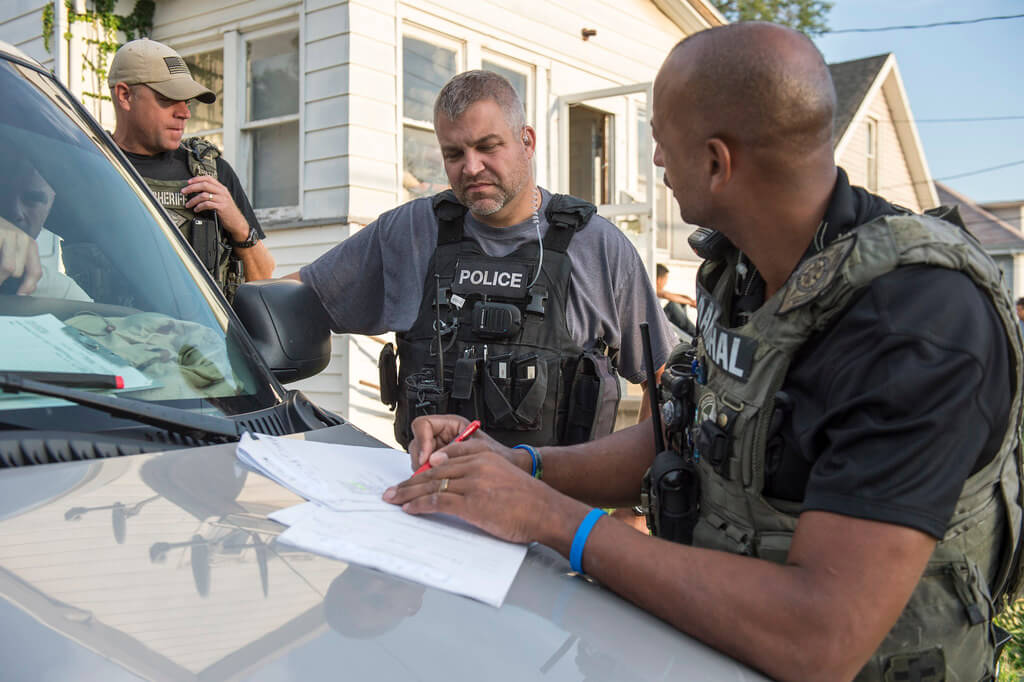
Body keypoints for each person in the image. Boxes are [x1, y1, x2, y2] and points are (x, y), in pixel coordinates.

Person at [383, 22, 1024, 682]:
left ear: (718, 163)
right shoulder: (743, 269)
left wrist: (553, 520)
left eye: (661, 141)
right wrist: (522, 465)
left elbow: (820, 636)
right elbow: (685, 433)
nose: (656, 161)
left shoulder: (914, 325)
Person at [289, 70, 674, 448]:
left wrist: (631, 506)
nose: (471, 168)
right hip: (431, 498)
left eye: (488, 147)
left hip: (554, 505)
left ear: (527, 141)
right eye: (454, 153)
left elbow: (663, 379)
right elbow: (297, 297)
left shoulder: (597, 246)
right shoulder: (410, 231)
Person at [107, 39, 274, 301]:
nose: (184, 112)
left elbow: (264, 279)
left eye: (186, 101)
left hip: (201, 341)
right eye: (168, 99)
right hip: (111, 336)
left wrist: (239, 226)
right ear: (125, 95)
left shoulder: (211, 171)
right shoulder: (88, 167)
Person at [0, 161, 90, 300]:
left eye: (32, 199)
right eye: (2, 194)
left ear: (49, 208)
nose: (14, 211)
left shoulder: (61, 295)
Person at [655, 263, 696, 337]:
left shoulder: (658, 290)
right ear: (659, 280)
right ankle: (694, 333)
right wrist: (690, 302)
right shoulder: (653, 288)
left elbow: (673, 295)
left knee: (680, 303)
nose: (666, 282)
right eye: (665, 279)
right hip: (656, 322)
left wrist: (689, 299)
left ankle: (689, 333)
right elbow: (666, 295)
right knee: (672, 306)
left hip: (660, 320)